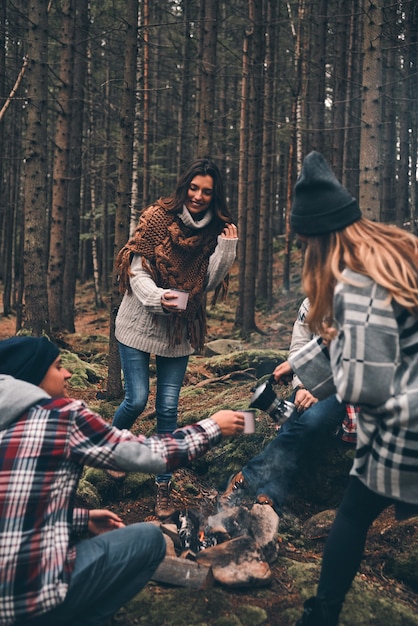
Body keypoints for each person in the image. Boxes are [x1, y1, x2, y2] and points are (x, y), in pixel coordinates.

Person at [0, 335, 245, 626]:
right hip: (34, 601)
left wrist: (81, 519)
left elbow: (15, 511)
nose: (67, 373)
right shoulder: (61, 417)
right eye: (57, 366)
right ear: (32, 379)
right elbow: (148, 454)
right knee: (150, 539)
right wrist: (212, 427)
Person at [286, 151, 418, 626]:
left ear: (321, 236)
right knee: (358, 507)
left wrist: (315, 360)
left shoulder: (357, 282)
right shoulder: (396, 251)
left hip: (407, 419)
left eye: (305, 241)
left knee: (354, 512)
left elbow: (363, 384)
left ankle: (322, 614)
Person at [113, 157, 238, 517]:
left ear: (215, 197)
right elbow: (135, 269)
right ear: (185, 186)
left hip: (179, 332)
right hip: (138, 322)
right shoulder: (157, 217)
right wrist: (157, 298)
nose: (198, 196)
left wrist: (227, 250)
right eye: (194, 188)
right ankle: (107, 449)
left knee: (168, 409)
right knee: (136, 400)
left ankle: (162, 487)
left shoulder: (217, 230)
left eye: (207, 192)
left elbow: (206, 285)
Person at [220, 297, 356, 514]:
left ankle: (248, 477)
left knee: (312, 421)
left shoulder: (361, 301)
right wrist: (302, 385)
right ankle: (270, 498)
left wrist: (320, 390)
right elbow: (299, 348)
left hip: (346, 389)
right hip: (308, 383)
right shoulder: (311, 303)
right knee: (289, 418)